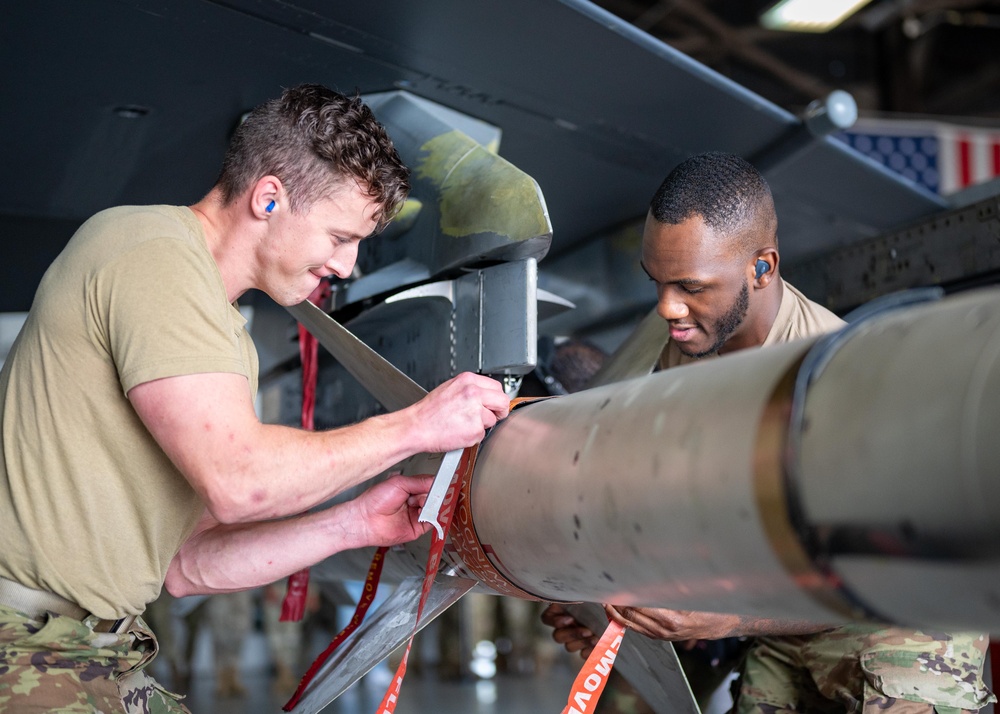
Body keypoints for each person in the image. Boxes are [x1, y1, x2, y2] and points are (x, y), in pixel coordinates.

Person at [0, 83, 510, 712]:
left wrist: (352, 523)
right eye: (339, 236)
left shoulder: (223, 340)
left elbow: (187, 566)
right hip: (24, 642)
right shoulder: (151, 251)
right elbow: (239, 480)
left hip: (92, 646)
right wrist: (417, 425)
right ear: (268, 197)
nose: (346, 266)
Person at [542, 152, 994, 714]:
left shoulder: (834, 382)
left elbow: (880, 576)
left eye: (690, 285)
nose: (667, 307)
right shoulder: (685, 355)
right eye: (656, 283)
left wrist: (726, 618)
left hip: (898, 611)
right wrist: (619, 609)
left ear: (762, 267)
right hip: (784, 618)